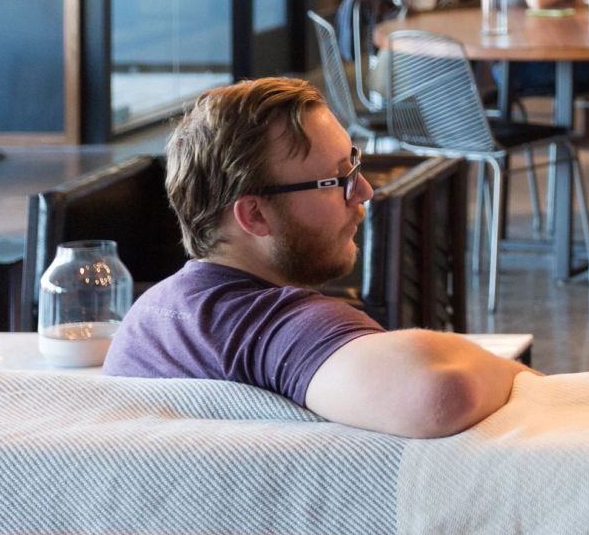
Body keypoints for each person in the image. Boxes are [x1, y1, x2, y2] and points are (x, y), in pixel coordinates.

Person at [104, 78, 529, 438]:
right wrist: (520, 378)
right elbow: (441, 394)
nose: (363, 192)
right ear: (254, 214)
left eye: (355, 165)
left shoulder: (148, 317)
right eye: (336, 179)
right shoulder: (262, 324)